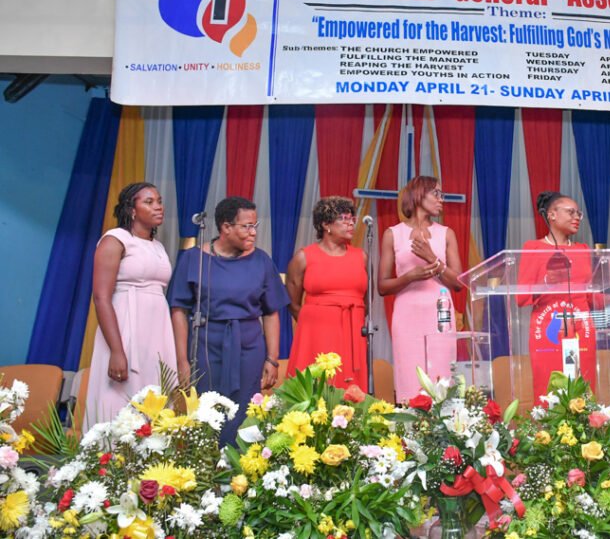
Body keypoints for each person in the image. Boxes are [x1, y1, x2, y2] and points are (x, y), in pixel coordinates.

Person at [168, 196, 289, 444]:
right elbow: (179, 310)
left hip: (248, 347)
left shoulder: (261, 260)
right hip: (205, 346)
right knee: (206, 412)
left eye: (255, 225)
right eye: (246, 226)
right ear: (225, 227)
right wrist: (182, 360)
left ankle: (240, 472)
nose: (253, 232)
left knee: (244, 412)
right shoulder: (193, 259)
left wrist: (272, 358)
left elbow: (271, 312)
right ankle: (206, 473)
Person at [85, 182, 176, 429]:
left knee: (153, 397)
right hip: (124, 329)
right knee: (118, 400)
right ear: (132, 210)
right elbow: (101, 297)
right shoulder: (116, 239)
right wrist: (116, 350)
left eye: (159, 201)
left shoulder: (157, 246)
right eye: (149, 202)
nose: (158, 206)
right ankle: (108, 462)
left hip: (155, 331)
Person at [378, 176, 463, 402]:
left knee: (442, 377)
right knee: (410, 377)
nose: (441, 199)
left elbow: (458, 283)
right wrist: (408, 277)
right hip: (407, 315)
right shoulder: (393, 234)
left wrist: (433, 259)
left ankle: (444, 431)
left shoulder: (446, 233)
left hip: (439, 314)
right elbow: (383, 286)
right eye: (436, 193)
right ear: (418, 195)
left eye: (442, 194)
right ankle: (411, 431)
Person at [518, 191, 597, 403]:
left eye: (579, 213)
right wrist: (547, 282)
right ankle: (548, 435)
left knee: (583, 385)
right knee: (549, 386)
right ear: (551, 215)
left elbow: (591, 294)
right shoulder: (533, 248)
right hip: (547, 328)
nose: (577, 217)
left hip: (582, 326)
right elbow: (521, 298)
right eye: (571, 212)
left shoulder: (583, 250)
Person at [285, 196, 368, 390]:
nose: (350, 223)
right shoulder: (304, 257)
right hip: (316, 331)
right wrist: (315, 320)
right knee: (316, 385)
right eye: (344, 219)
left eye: (352, 219)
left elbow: (365, 299)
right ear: (325, 224)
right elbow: (292, 301)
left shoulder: (361, 256)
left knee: (350, 388)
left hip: (352, 330)